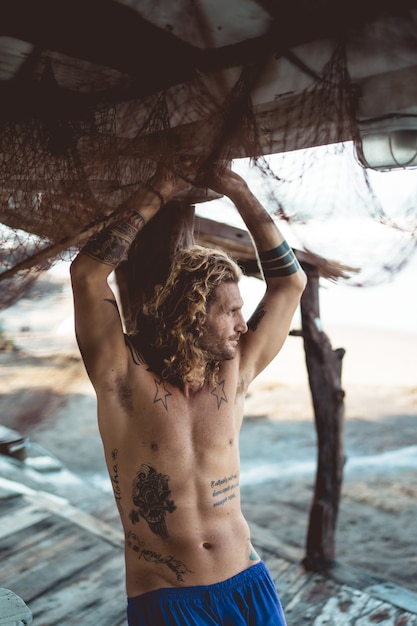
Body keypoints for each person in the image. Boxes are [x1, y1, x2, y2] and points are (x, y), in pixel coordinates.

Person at [70, 162, 307, 626]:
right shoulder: (123, 377)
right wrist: (162, 185)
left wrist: (237, 189)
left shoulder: (233, 374)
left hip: (247, 583)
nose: (243, 324)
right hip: (168, 600)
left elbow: (289, 283)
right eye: (231, 312)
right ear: (194, 312)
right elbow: (87, 276)